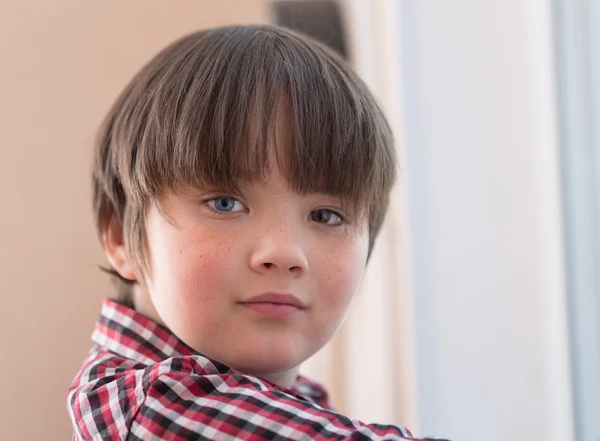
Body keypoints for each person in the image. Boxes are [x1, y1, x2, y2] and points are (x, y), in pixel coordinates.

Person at [67, 24, 449, 441]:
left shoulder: (283, 397)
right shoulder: (154, 404)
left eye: (325, 216)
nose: (285, 252)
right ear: (122, 236)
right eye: (225, 203)